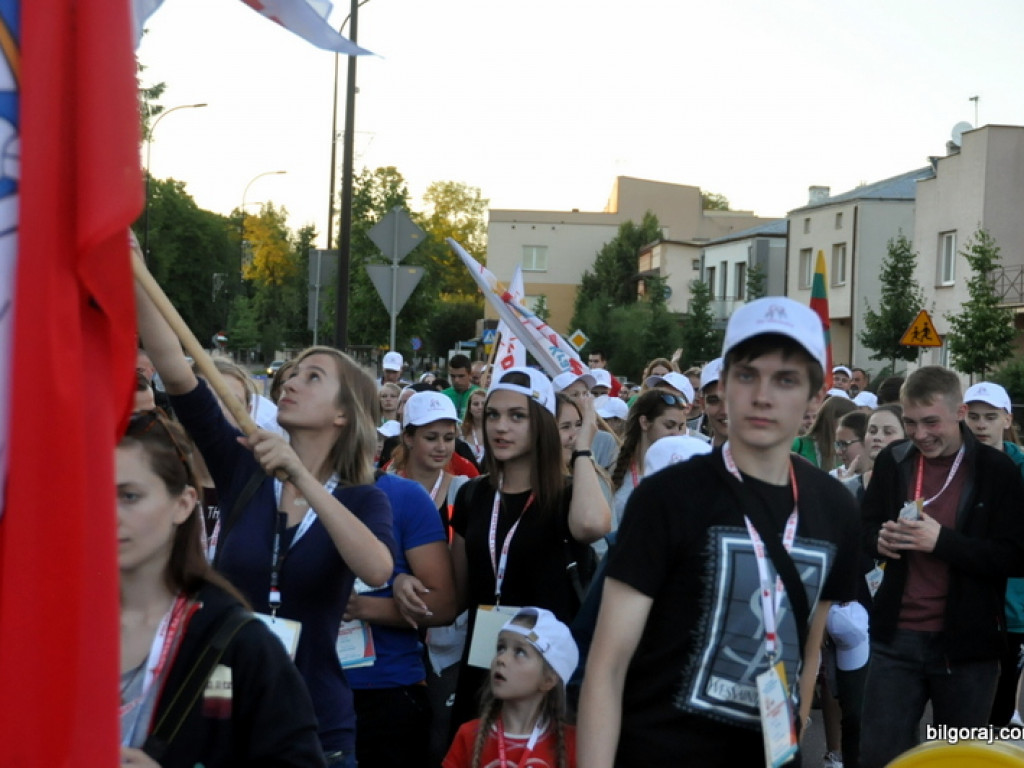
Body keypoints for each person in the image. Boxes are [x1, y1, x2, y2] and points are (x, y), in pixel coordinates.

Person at [578, 296, 861, 768]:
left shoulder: (835, 508)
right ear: (724, 388)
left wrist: (795, 730)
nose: (763, 395)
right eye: (747, 375)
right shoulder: (666, 496)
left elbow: (809, 650)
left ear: (815, 399)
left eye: (786, 380)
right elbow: (606, 667)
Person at [136, 278, 396, 766]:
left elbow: (378, 570)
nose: (292, 381)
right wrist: (136, 273)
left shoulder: (363, 499)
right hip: (223, 711)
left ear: (344, 414)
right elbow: (175, 370)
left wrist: (300, 474)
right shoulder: (244, 470)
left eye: (313, 376)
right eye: (292, 374)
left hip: (317, 723)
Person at [117, 409, 325, 767]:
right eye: (92, 492)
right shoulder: (49, 629)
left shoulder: (236, 642)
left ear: (182, 505)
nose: (108, 512)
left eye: (130, 496)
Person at [860, 366, 1024, 768]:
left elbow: (1014, 555)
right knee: (882, 757)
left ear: (959, 412)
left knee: (957, 759)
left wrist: (943, 543)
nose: (920, 434)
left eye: (931, 421)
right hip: (894, 640)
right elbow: (864, 528)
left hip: (968, 648)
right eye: (911, 422)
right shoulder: (894, 461)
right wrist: (876, 541)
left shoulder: (995, 470)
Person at [448, 367, 610, 733]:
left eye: (517, 416)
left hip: (546, 678)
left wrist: (582, 446)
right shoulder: (473, 494)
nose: (500, 427)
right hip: (484, 666)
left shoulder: (567, 494)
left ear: (540, 424)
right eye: (493, 414)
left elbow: (593, 526)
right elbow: (455, 595)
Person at [345, 469, 457, 768]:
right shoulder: (284, 490)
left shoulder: (404, 495)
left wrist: (363, 607)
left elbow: (443, 605)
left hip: (385, 690)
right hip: (303, 685)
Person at [961, 382, 1024, 728]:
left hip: (1014, 607)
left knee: (1000, 710)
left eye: (989, 417)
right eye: (973, 417)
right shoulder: (955, 466)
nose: (980, 424)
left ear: (1006, 419)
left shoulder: (1021, 468)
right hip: (965, 604)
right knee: (968, 706)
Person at [443, 608, 578, 768]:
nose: (501, 659)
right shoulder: (468, 734)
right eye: (501, 648)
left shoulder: (573, 743)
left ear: (548, 680)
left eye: (520, 652)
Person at [608, 389, 690, 530]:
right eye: (669, 425)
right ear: (644, 422)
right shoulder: (613, 469)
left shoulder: (684, 475)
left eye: (680, 427)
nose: (676, 434)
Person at [791, 394, 857, 470]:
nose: (852, 428)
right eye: (847, 422)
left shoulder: (845, 451)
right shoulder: (798, 445)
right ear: (830, 420)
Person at [699, 358, 728, 447]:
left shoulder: (769, 459)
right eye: (714, 400)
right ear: (703, 405)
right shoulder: (695, 458)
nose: (725, 411)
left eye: (732, 400)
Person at [442, 354, 479, 419]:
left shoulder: (480, 394)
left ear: (470, 374)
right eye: (453, 376)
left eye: (461, 376)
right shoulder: (443, 396)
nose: (456, 380)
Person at [460, 388, 487, 465]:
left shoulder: (496, 430)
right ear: (469, 408)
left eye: (484, 404)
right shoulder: (461, 431)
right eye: (476, 404)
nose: (480, 407)